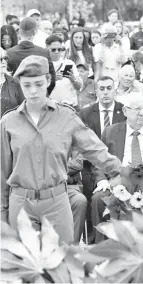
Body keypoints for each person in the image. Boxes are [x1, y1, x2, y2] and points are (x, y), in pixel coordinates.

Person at [1, 56, 124, 243]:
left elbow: (93, 147)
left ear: (48, 81)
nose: (33, 91)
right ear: (19, 84)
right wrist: (3, 213)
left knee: (63, 261)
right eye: (27, 85)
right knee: (24, 265)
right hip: (21, 203)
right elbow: (2, 172)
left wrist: (118, 170)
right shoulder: (9, 122)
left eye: (38, 84)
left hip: (56, 202)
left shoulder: (66, 116)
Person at [91, 93, 143, 243]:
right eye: (137, 109)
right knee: (98, 198)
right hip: (118, 180)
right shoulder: (110, 132)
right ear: (126, 111)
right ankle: (100, 249)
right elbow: (99, 161)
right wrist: (102, 181)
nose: (142, 113)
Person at [79, 76, 126, 203]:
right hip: (91, 165)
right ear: (96, 92)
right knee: (91, 192)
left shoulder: (124, 111)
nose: (105, 92)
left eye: (109, 88)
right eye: (102, 89)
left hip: (117, 162)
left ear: (115, 91)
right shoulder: (85, 113)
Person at [6, 17, 56, 96]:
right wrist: (44, 95)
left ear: (19, 32)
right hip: (38, 98)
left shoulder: (9, 53)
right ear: (35, 32)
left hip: (15, 99)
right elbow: (52, 79)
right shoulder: (44, 52)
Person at [46, 35, 82, 108]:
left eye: (59, 49)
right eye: (53, 49)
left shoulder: (69, 63)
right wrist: (53, 79)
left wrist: (73, 79)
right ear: (47, 48)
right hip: (50, 106)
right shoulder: (43, 64)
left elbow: (79, 87)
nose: (57, 52)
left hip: (69, 105)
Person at [66, 150, 88, 244]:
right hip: (41, 187)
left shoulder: (69, 137)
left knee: (80, 200)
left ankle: (72, 249)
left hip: (68, 187)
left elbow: (78, 163)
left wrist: (52, 169)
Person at [0, 49, 25, 117]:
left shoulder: (14, 82)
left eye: (5, 58)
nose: (4, 62)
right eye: (0, 59)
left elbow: (23, 107)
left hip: (10, 125)